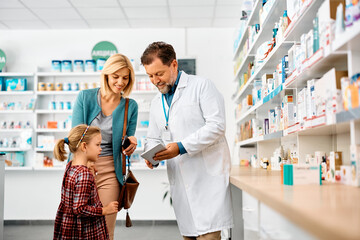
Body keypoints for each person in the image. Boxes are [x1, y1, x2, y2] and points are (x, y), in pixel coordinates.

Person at [141, 42, 233, 240]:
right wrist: (152, 155)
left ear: (174, 64)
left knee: (208, 236)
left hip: (207, 178)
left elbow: (217, 125)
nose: (155, 80)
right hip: (181, 180)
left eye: (159, 73)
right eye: (150, 76)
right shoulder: (157, 102)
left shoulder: (202, 86)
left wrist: (181, 147)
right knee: (189, 236)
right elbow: (153, 136)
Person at [72, 54, 138, 239]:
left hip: (110, 171)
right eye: (116, 76)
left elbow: (128, 138)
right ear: (106, 75)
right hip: (83, 170)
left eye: (125, 77)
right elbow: (76, 138)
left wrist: (130, 144)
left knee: (105, 231)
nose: (120, 82)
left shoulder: (130, 106)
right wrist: (87, 166)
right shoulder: (85, 98)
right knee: (80, 229)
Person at [53, 124, 119, 240]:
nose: (101, 149)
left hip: (69, 225)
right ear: (84, 146)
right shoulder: (84, 174)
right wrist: (105, 210)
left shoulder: (70, 167)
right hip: (84, 230)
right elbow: (79, 208)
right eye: (98, 145)